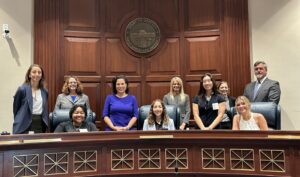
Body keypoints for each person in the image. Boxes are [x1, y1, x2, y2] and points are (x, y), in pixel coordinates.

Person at [13, 64, 48, 134]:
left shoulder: (45, 91)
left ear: (41, 75)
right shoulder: (22, 89)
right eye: (34, 72)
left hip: (39, 123)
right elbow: (16, 109)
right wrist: (19, 119)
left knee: (37, 144)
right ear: (29, 75)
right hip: (23, 123)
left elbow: (44, 109)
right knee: (24, 144)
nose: (37, 74)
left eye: (39, 72)